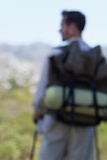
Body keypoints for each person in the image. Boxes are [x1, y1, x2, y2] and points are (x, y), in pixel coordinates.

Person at [32, 10, 97, 160]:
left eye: (62, 25)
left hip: (56, 118)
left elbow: (43, 87)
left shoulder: (55, 54)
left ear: (72, 27)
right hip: (86, 121)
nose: (60, 29)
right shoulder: (94, 55)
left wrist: (37, 110)